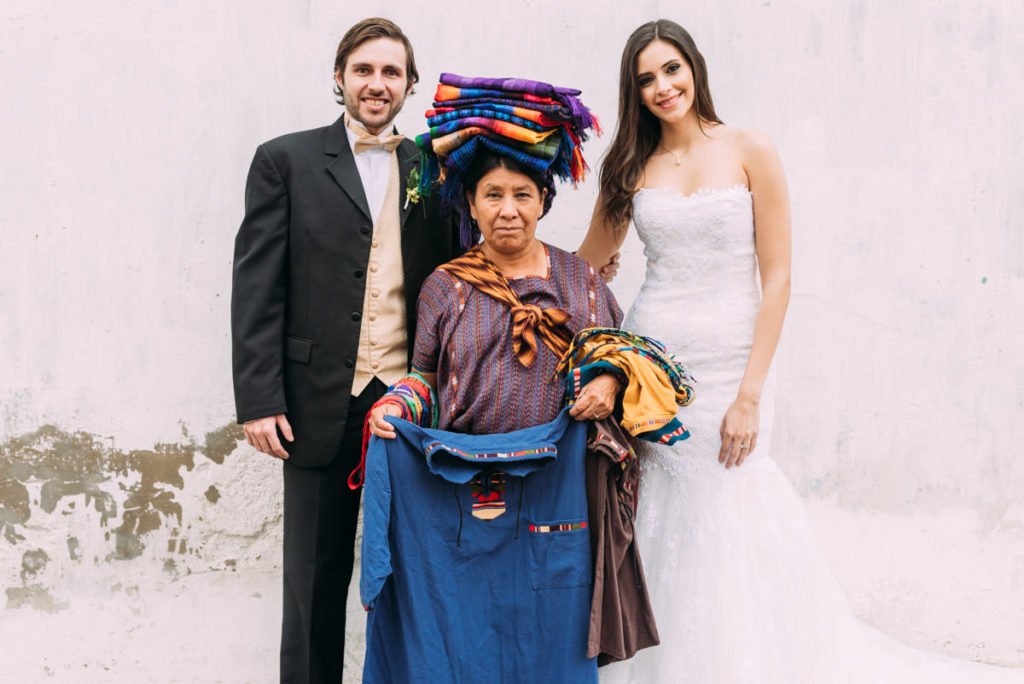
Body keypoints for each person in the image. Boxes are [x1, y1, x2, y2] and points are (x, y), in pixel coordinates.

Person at [576, 18, 1024, 684]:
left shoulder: (749, 148)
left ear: (694, 67)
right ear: (633, 92)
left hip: (731, 365)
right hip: (655, 364)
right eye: (646, 79)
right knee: (660, 506)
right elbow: (584, 265)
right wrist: (570, 268)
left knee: (732, 494)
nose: (663, 87)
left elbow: (779, 278)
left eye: (672, 69)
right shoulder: (630, 168)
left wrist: (750, 394)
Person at [360, 74, 690, 682]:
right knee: (467, 635)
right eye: (492, 195)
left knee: (550, 637)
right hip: (463, 491)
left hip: (556, 494)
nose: (507, 209)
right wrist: (398, 407)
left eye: (521, 194)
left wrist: (609, 384)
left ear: (542, 202)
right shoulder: (445, 287)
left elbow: (627, 357)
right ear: (471, 204)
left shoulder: (580, 283)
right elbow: (424, 377)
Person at [230, 18, 461, 684]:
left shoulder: (435, 169)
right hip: (315, 403)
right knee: (314, 580)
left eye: (391, 72)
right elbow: (257, 288)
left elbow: (461, 271)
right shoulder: (285, 161)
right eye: (364, 70)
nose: (376, 84)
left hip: (412, 404)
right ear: (340, 77)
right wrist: (260, 400)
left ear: (410, 85)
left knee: (421, 576)